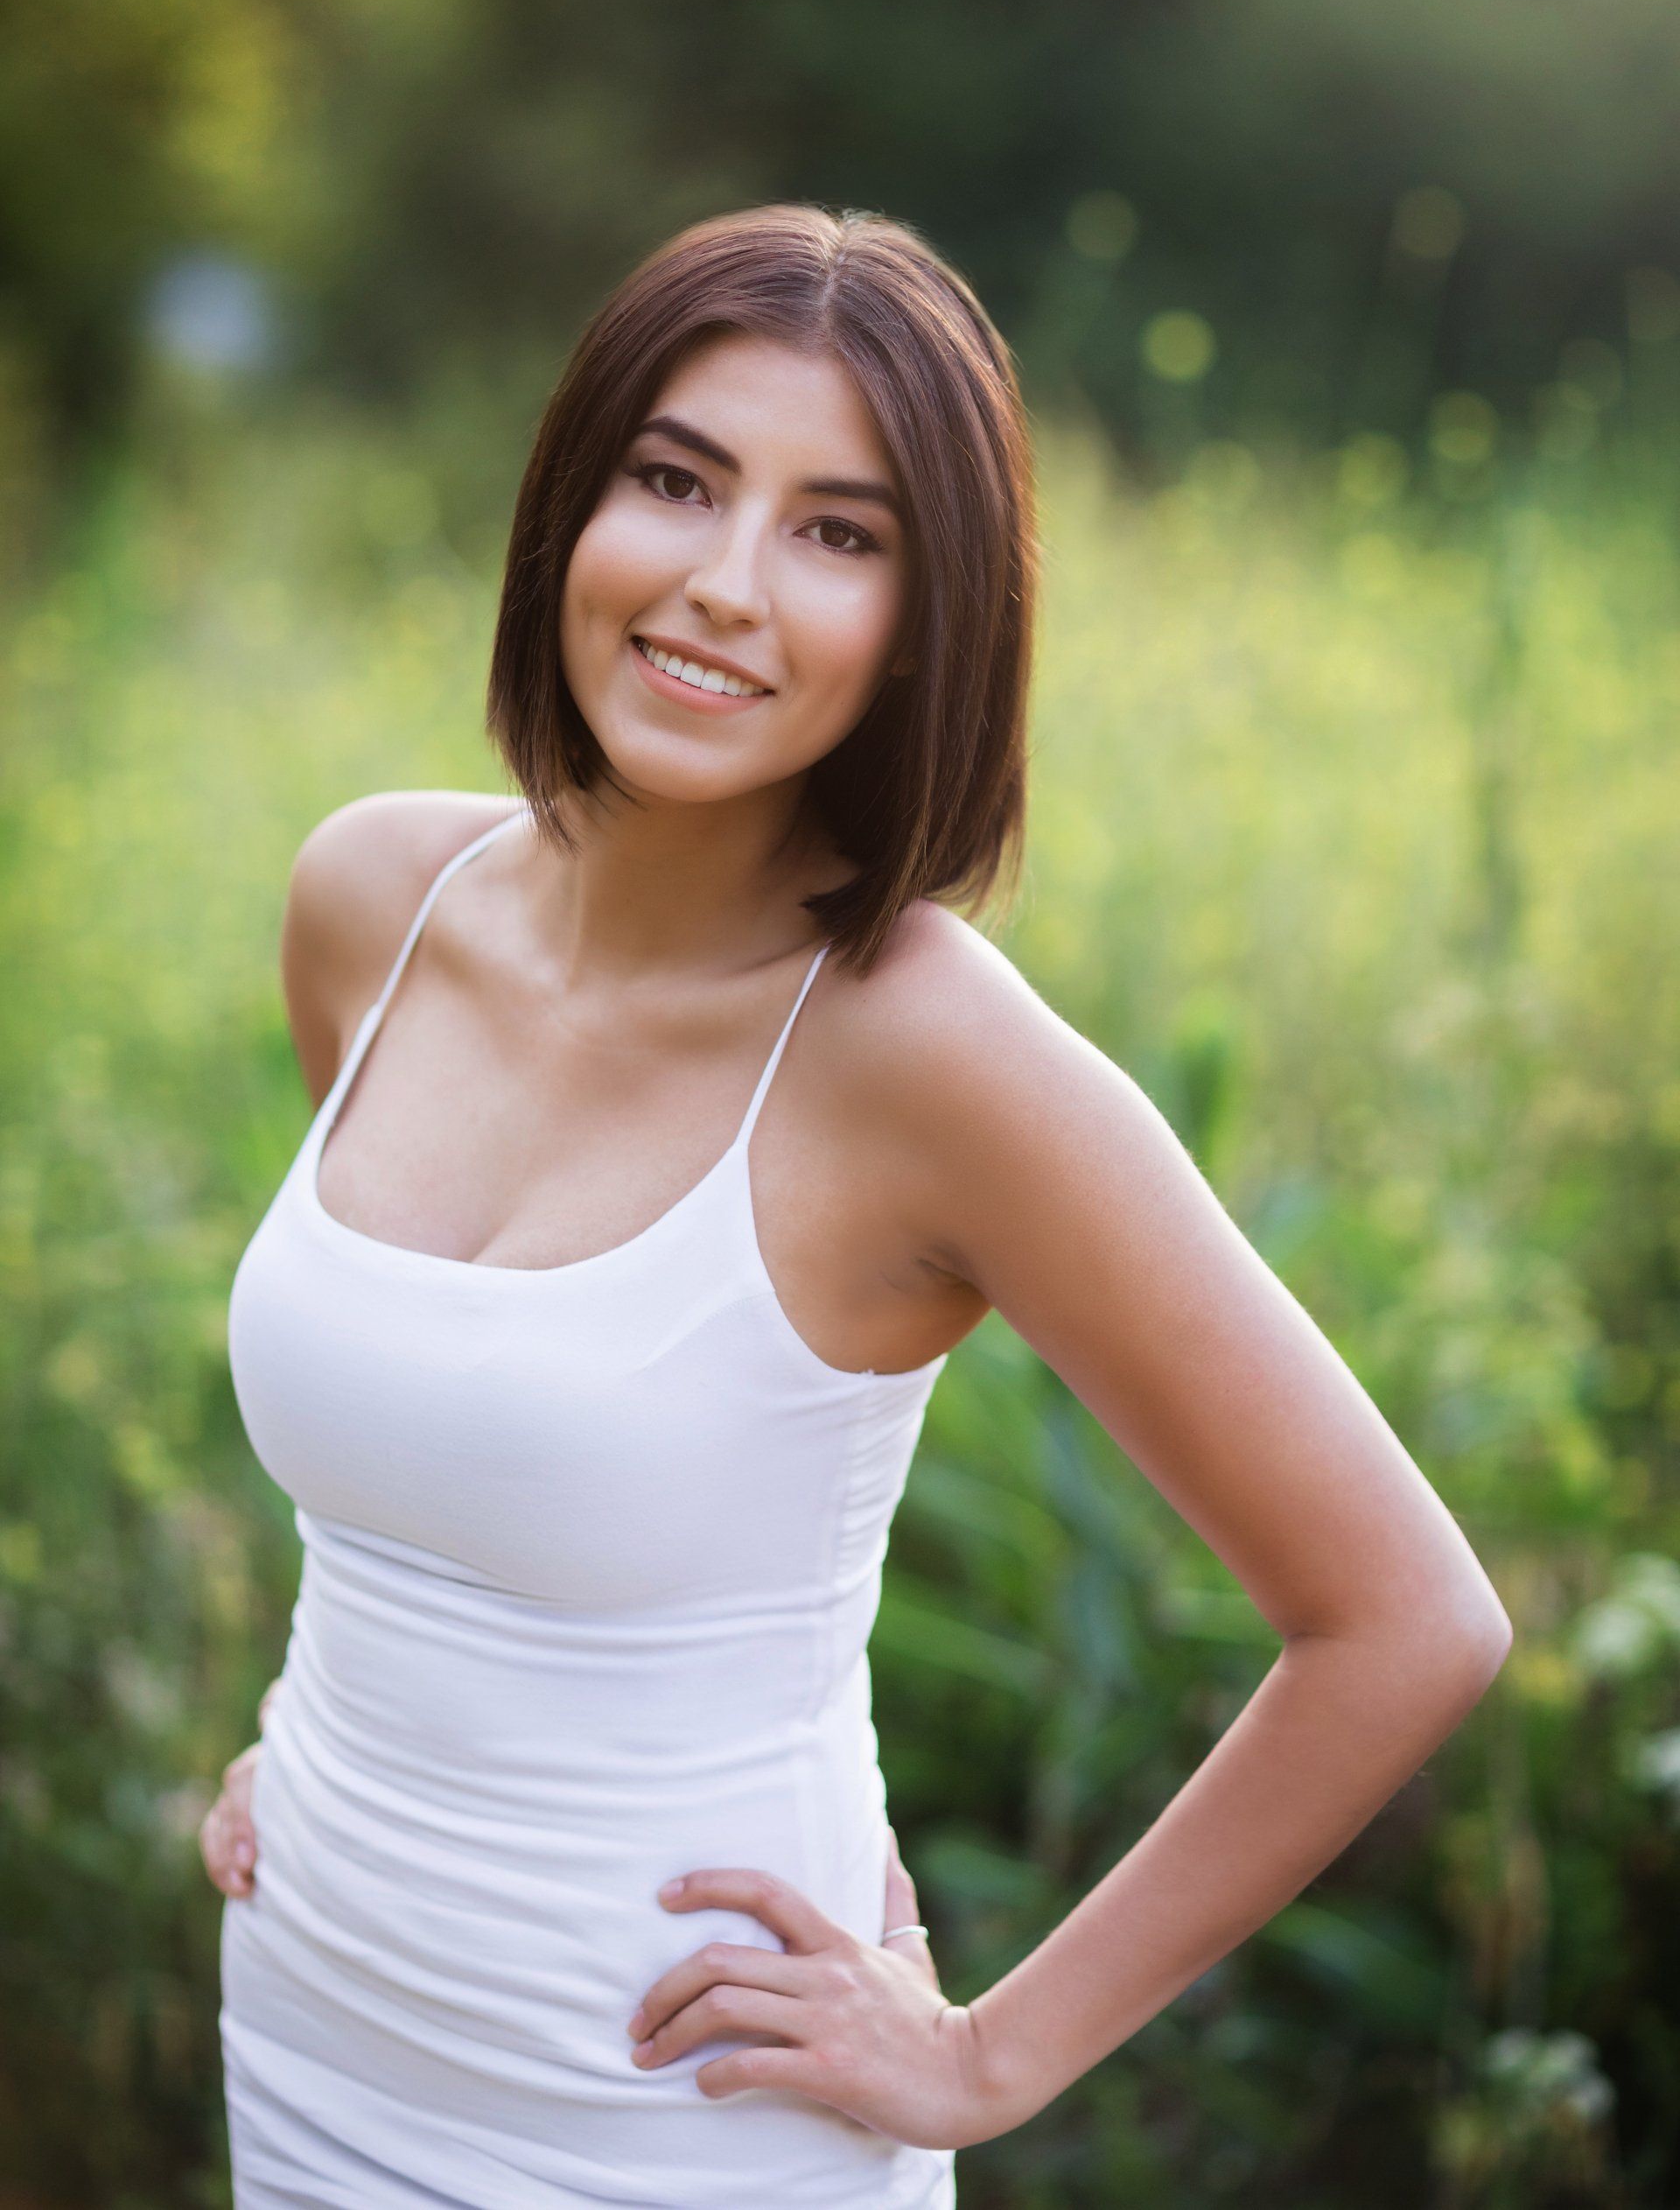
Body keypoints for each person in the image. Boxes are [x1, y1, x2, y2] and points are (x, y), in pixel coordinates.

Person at [200, 201, 1511, 2206]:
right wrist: (320, 1741)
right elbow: (420, 1444)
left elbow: (1405, 1617)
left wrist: (993, 2052)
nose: (724, 585)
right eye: (675, 479)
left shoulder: (929, 1061)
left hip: (683, 2129)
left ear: (927, 617)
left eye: (838, 530)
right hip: (307, 2031)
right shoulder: (374, 904)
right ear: (572, 503)